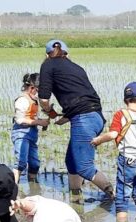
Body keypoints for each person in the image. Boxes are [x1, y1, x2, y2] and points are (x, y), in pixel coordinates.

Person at [38, 39, 114, 200]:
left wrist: (49, 111)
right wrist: (66, 117)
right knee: (71, 162)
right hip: (96, 117)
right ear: (67, 54)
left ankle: (114, 196)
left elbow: (44, 98)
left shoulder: (48, 64)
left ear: (46, 54)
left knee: (84, 167)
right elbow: (81, 98)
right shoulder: (77, 68)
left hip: (84, 119)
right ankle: (76, 196)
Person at [91, 82, 136, 222]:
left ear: (126, 100)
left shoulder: (121, 114)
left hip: (127, 161)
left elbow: (112, 134)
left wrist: (97, 140)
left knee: (122, 197)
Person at [11, 73, 49, 183]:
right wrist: (39, 122)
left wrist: (42, 121)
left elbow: (32, 116)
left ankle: (33, 185)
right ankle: (14, 187)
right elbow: (20, 120)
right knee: (21, 162)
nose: (38, 94)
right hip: (21, 133)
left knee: (35, 164)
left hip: (32, 133)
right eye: (38, 90)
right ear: (31, 88)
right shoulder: (22, 100)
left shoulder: (34, 101)